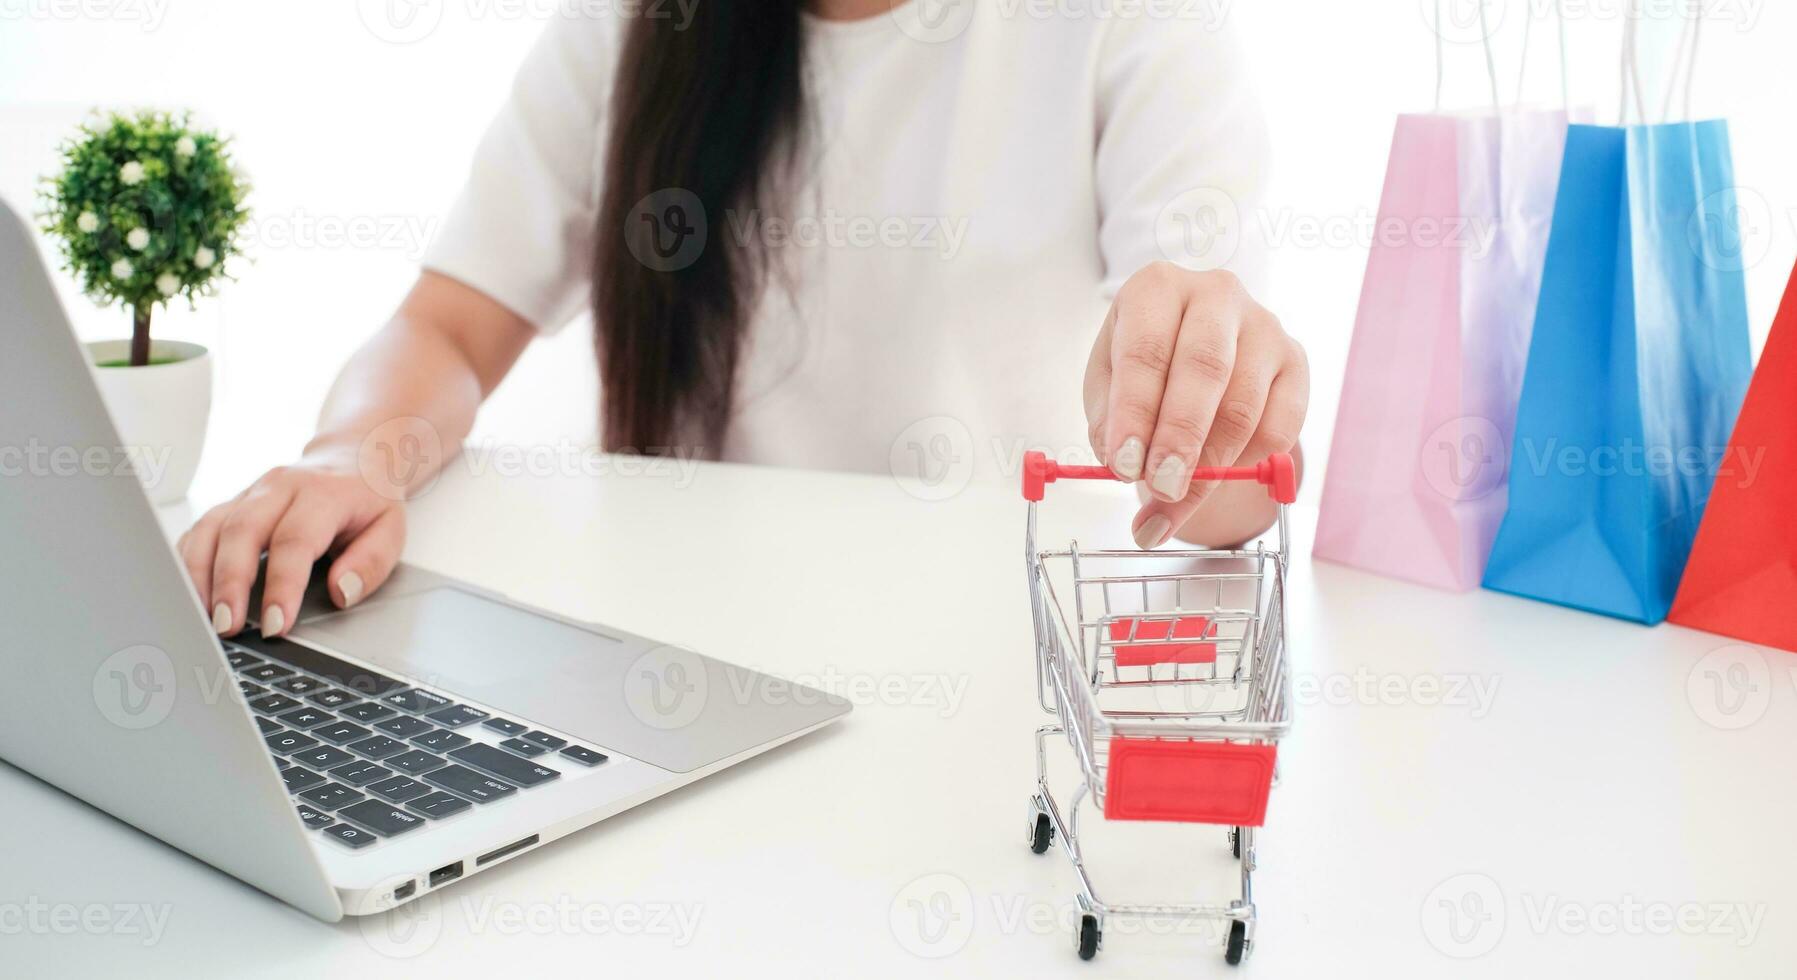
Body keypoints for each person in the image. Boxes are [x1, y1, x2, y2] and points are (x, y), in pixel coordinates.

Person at [178, 0, 1308, 639]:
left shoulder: (1129, 23)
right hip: (682, 662)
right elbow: (447, 327)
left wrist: (1208, 437)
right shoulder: (637, 26)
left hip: (991, 661)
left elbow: (1227, 475)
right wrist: (349, 459)